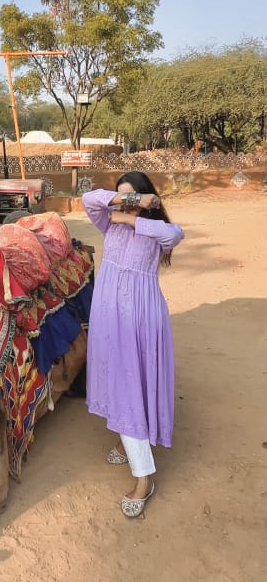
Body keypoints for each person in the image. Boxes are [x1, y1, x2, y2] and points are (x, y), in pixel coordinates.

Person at [82, 172, 184, 518]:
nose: (121, 204)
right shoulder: (108, 225)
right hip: (110, 316)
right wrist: (126, 204)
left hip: (140, 319)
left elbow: (175, 234)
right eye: (119, 198)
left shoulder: (156, 232)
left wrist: (132, 217)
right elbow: (90, 199)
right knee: (119, 382)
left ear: (147, 198)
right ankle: (126, 439)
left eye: (131, 197)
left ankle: (145, 479)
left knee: (130, 384)